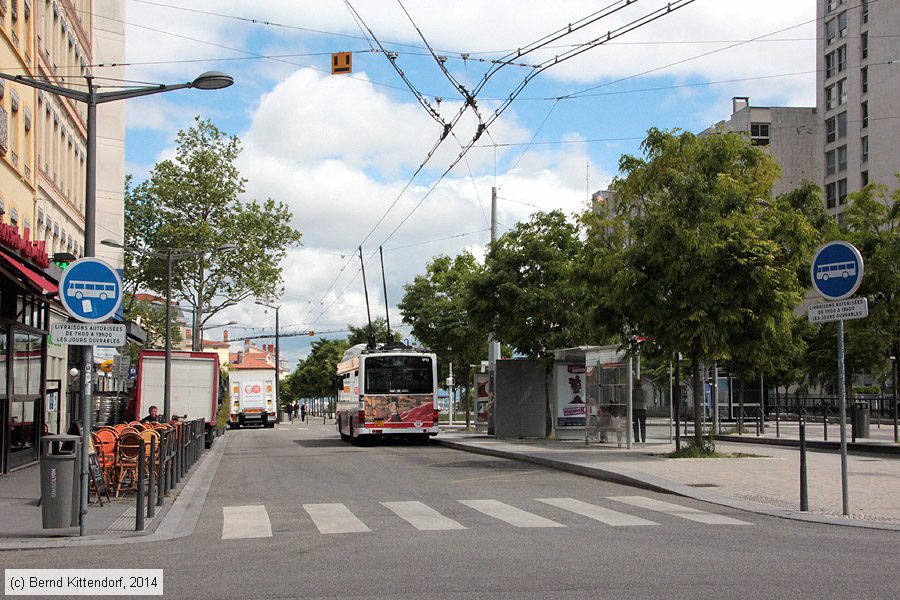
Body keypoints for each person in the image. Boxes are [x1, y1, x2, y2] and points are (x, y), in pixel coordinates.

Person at [632, 379, 647, 444]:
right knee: (643, 425)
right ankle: (643, 439)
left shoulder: (633, 392)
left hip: (635, 409)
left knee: (635, 425)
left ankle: (637, 439)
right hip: (643, 409)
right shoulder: (645, 391)